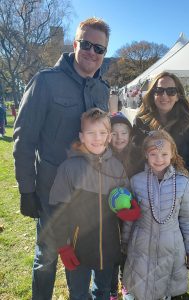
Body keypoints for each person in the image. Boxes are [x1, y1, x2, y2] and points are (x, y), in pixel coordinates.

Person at [13, 17, 111, 300]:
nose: (92, 52)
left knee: (78, 259)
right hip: (49, 192)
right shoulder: (45, 82)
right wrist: (26, 190)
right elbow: (24, 139)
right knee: (47, 259)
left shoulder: (102, 90)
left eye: (100, 48)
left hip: (88, 194)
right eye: (87, 44)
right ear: (75, 44)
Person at [49, 108, 133, 299]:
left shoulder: (117, 167)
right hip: (79, 248)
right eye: (91, 133)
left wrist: (129, 208)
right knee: (78, 293)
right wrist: (63, 245)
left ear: (109, 136)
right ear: (81, 136)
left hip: (109, 247)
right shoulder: (69, 169)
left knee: (102, 291)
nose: (97, 138)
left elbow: (126, 198)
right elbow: (57, 211)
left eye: (102, 133)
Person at [122, 130, 189, 300]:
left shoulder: (183, 183)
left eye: (164, 154)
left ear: (172, 154)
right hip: (141, 246)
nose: (159, 159)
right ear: (146, 155)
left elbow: (187, 219)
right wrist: (125, 241)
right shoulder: (136, 181)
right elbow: (129, 217)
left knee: (166, 290)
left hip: (171, 247)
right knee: (141, 287)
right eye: (153, 154)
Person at [132, 71, 189, 204]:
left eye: (171, 91)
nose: (164, 95)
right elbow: (134, 158)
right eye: (159, 90)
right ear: (153, 94)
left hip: (179, 192)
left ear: (178, 96)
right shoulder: (141, 123)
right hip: (147, 192)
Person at [110, 112, 142, 300]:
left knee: (128, 249)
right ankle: (111, 287)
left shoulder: (137, 156)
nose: (119, 137)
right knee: (112, 250)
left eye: (124, 133)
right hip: (110, 214)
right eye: (114, 133)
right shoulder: (103, 155)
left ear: (130, 135)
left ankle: (126, 283)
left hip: (131, 212)